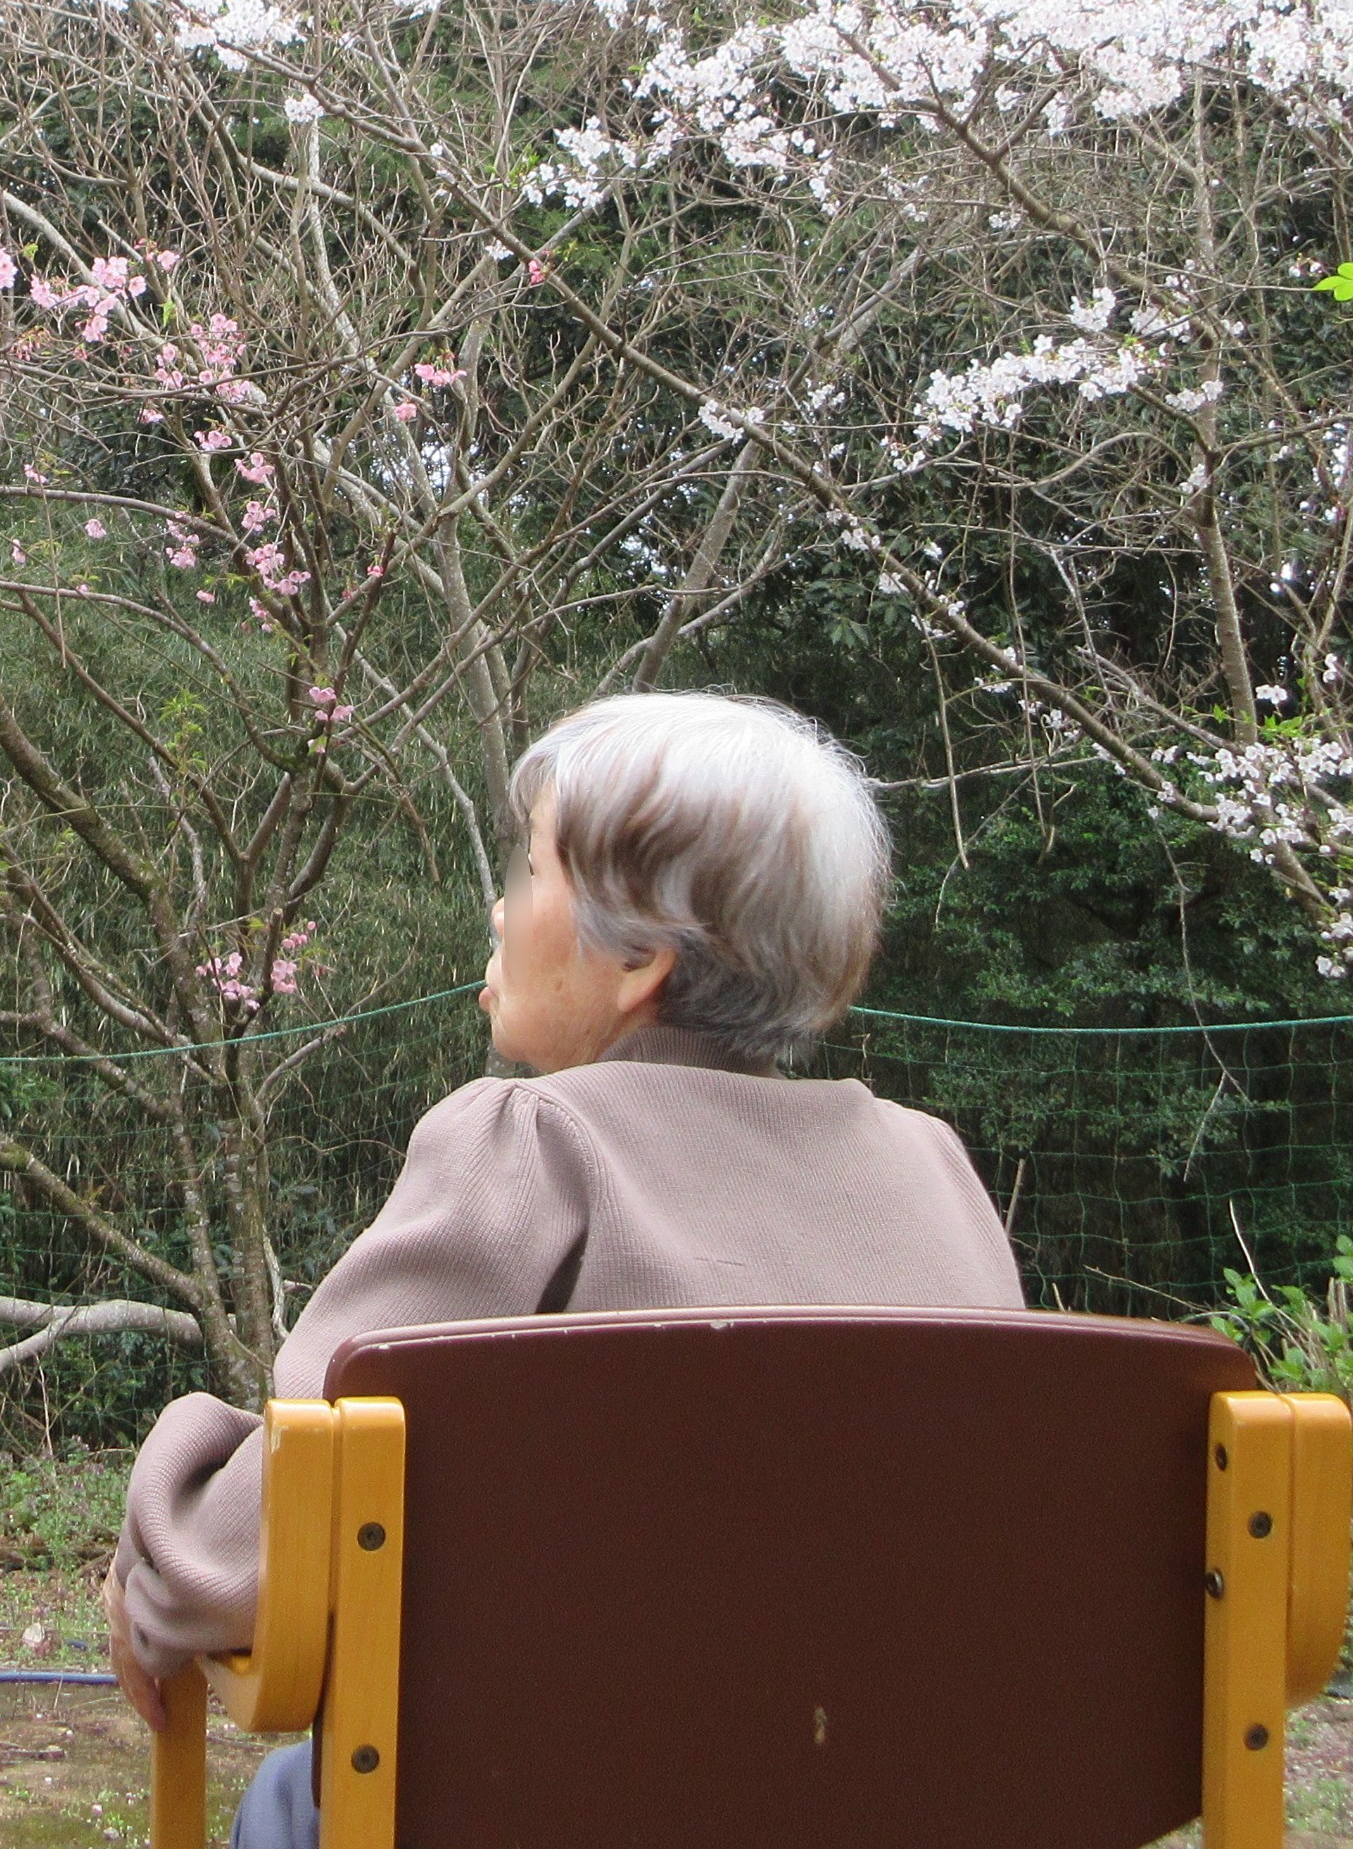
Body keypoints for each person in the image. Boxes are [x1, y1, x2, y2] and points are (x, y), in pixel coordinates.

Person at [99, 692, 1024, 1849]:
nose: (500, 905)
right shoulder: (934, 1170)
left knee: (300, 1798)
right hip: (911, 1811)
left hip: (559, 1810)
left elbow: (240, 1558)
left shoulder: (533, 1148)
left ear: (640, 957)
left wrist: (165, 1522)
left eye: (529, 873)